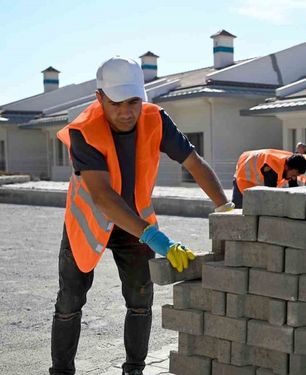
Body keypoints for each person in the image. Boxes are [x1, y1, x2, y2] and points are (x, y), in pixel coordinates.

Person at [50, 57, 233, 375]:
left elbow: (193, 162)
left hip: (133, 222)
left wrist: (225, 207)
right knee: (70, 302)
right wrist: (155, 237)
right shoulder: (85, 130)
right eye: (117, 103)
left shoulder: (156, 120)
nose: (126, 111)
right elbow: (102, 196)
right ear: (100, 98)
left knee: (140, 299)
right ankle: (61, 372)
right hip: (89, 221)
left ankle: (133, 370)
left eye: (133, 101)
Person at [231, 149, 306, 208]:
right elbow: (270, 196)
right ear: (287, 167)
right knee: (239, 209)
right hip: (244, 177)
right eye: (293, 175)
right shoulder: (271, 168)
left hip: (256, 175)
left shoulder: (292, 161)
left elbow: (293, 188)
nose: (293, 178)